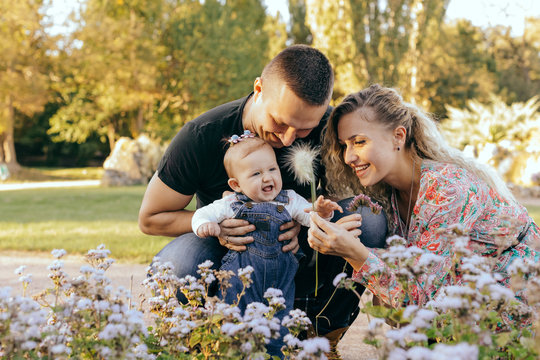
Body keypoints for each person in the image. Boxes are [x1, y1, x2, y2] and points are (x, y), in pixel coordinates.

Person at [138, 45, 387, 357]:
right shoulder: (201, 135)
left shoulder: (330, 124)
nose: (287, 139)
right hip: (232, 255)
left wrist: (309, 220)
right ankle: (213, 339)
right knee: (175, 264)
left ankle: (320, 335)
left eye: (304, 129)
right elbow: (150, 218)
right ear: (258, 89)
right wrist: (218, 227)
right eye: (280, 122)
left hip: (298, 252)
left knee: (370, 218)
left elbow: (348, 192)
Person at [308, 84, 540, 311]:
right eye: (344, 145)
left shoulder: (448, 189)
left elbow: (419, 296)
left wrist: (353, 251)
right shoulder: (388, 193)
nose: (349, 157)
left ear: (398, 136)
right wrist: (325, 222)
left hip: (521, 302)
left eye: (359, 142)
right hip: (471, 305)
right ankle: (324, 330)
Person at [192, 132, 342, 357]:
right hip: (239, 282)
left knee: (278, 327)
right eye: (256, 173)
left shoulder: (290, 200)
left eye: (272, 169)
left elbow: (312, 219)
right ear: (236, 184)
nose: (267, 178)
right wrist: (205, 225)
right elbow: (202, 214)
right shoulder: (231, 203)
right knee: (233, 321)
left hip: (279, 283)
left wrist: (322, 213)